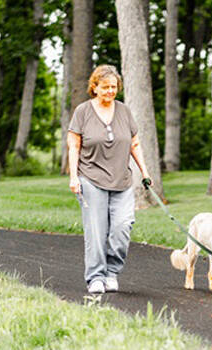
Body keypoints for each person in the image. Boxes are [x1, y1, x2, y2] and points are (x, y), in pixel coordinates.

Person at [67, 65, 151, 294]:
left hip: (122, 180)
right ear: (94, 88)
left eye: (114, 87)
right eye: (105, 87)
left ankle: (111, 272)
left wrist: (144, 172)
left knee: (122, 227)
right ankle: (95, 277)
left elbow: (134, 143)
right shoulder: (83, 112)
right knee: (96, 230)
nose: (110, 91)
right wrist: (74, 177)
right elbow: (74, 146)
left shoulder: (124, 111)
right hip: (91, 178)